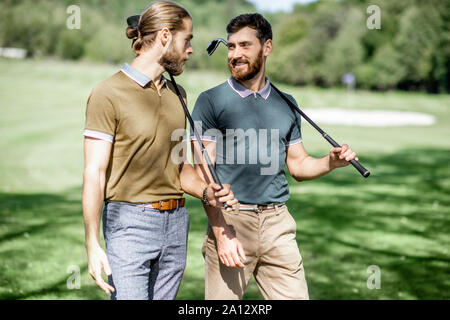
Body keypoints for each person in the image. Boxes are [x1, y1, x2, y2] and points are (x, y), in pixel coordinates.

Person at [191, 13, 359, 300]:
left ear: (267, 47)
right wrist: (220, 232)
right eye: (231, 47)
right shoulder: (210, 101)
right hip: (232, 220)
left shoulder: (287, 103)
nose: (235, 54)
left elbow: (298, 165)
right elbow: (202, 173)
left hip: (278, 224)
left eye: (245, 45)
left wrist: (331, 162)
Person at [82, 1, 237, 300]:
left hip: (177, 225)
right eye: (187, 39)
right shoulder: (107, 93)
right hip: (128, 224)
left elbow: (179, 169)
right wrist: (92, 242)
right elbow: (94, 172)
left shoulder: (178, 94)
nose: (191, 49)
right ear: (165, 36)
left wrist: (208, 192)